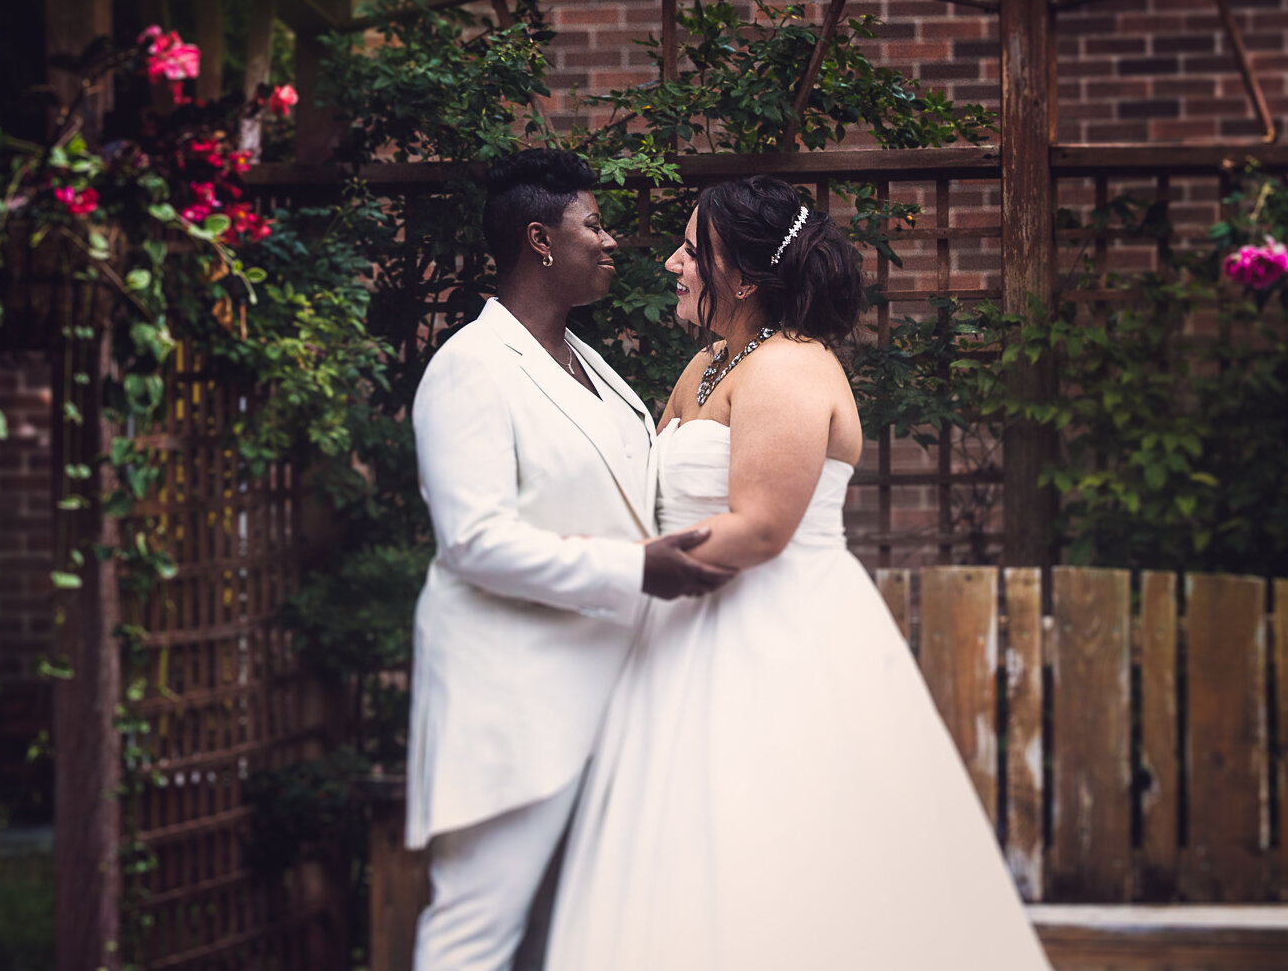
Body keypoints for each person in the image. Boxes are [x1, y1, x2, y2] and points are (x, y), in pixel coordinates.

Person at [544, 175, 1056, 971]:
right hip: (683, 640)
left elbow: (760, 527)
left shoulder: (788, 366)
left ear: (742, 275)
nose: (674, 264)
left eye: (692, 250)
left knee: (778, 854)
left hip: (775, 641)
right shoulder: (710, 367)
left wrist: (610, 571)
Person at [406, 148, 735, 971]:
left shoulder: (595, 368)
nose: (611, 240)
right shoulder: (470, 368)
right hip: (515, 710)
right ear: (539, 240)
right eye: (594, 223)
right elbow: (473, 541)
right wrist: (635, 570)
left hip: (617, 698)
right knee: (474, 936)